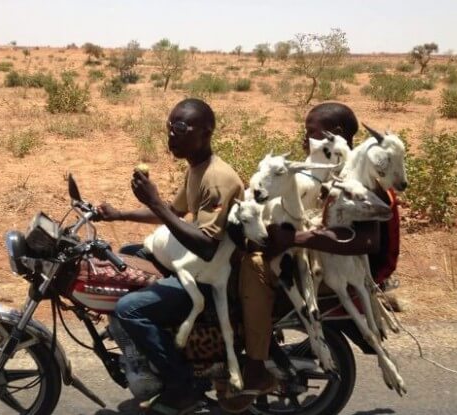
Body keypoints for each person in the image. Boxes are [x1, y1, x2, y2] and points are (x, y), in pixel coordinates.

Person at [220, 102, 401, 412]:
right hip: (312, 257)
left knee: (254, 271)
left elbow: (368, 241)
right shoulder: (323, 169)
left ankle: (256, 366)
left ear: (337, 135)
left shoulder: (359, 180)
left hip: (339, 269)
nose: (305, 140)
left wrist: (296, 238)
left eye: (311, 132)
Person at [95, 98, 244, 415]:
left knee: (129, 309)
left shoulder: (218, 178)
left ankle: (181, 387)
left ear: (205, 132)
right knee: (126, 254)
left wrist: (156, 202)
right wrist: (118, 214)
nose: (171, 135)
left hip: (210, 276)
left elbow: (206, 245)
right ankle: (153, 350)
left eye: (180, 128)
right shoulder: (197, 169)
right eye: (169, 128)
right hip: (193, 263)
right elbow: (174, 214)